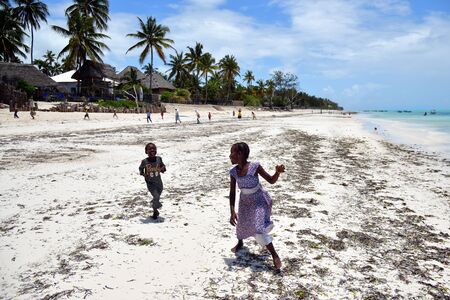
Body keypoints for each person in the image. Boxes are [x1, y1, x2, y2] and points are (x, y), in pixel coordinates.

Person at [228, 142, 285, 270]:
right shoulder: (233, 172)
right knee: (241, 224)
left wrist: (277, 173)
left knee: (259, 227)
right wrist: (232, 211)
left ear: (240, 154)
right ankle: (240, 242)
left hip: (259, 200)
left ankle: (274, 255)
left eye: (232, 152)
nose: (230, 156)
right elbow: (232, 193)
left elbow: (271, 180)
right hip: (245, 202)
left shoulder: (255, 166)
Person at [139, 143, 167, 219]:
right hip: (150, 183)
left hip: (159, 182)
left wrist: (162, 169)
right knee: (156, 196)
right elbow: (141, 169)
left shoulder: (159, 159)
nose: (152, 150)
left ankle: (155, 208)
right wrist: (144, 174)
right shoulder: (144, 161)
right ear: (146, 151)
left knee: (157, 196)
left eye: (154, 149)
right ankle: (155, 208)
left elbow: (163, 166)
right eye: (150, 149)